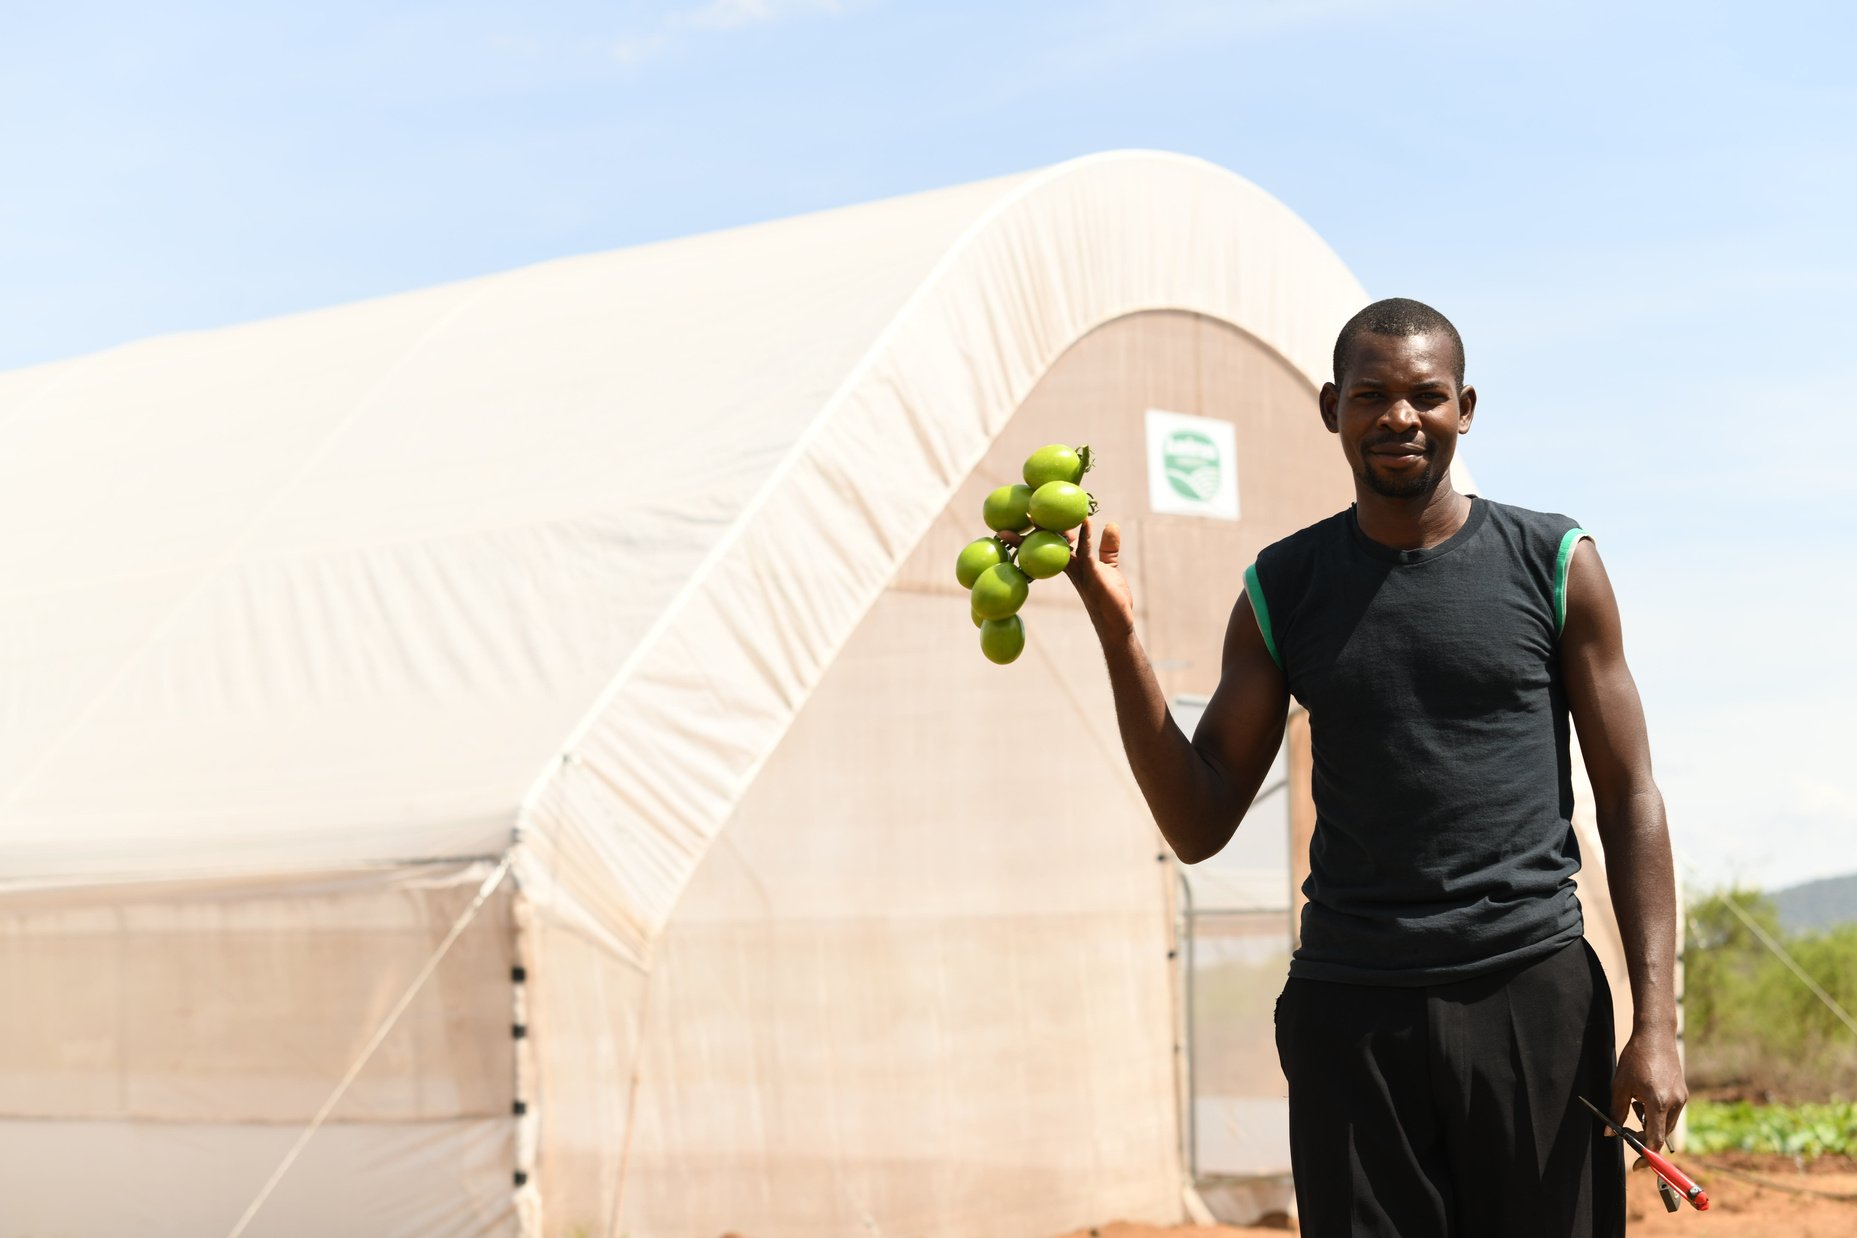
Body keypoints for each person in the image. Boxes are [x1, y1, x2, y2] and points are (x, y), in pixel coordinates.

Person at [1049, 298, 1685, 1236]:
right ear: (1329, 408)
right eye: (1371, 395)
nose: (1399, 417)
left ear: (1464, 409)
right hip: (1352, 1011)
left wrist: (1656, 1025)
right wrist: (1118, 634)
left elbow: (1629, 794)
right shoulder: (1284, 586)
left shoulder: (1552, 562)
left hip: (1530, 998)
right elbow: (1198, 821)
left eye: (1425, 396)